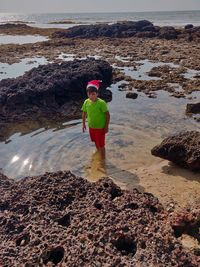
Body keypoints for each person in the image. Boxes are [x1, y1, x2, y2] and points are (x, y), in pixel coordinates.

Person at [82, 80, 110, 159]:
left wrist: (106, 126)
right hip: (91, 127)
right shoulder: (86, 102)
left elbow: (107, 115)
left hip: (100, 127)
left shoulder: (101, 103)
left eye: (93, 94)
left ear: (97, 94)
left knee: (102, 145)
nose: (91, 96)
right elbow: (84, 113)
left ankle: (103, 159)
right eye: (89, 94)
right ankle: (98, 152)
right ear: (87, 94)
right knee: (95, 141)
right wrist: (83, 124)